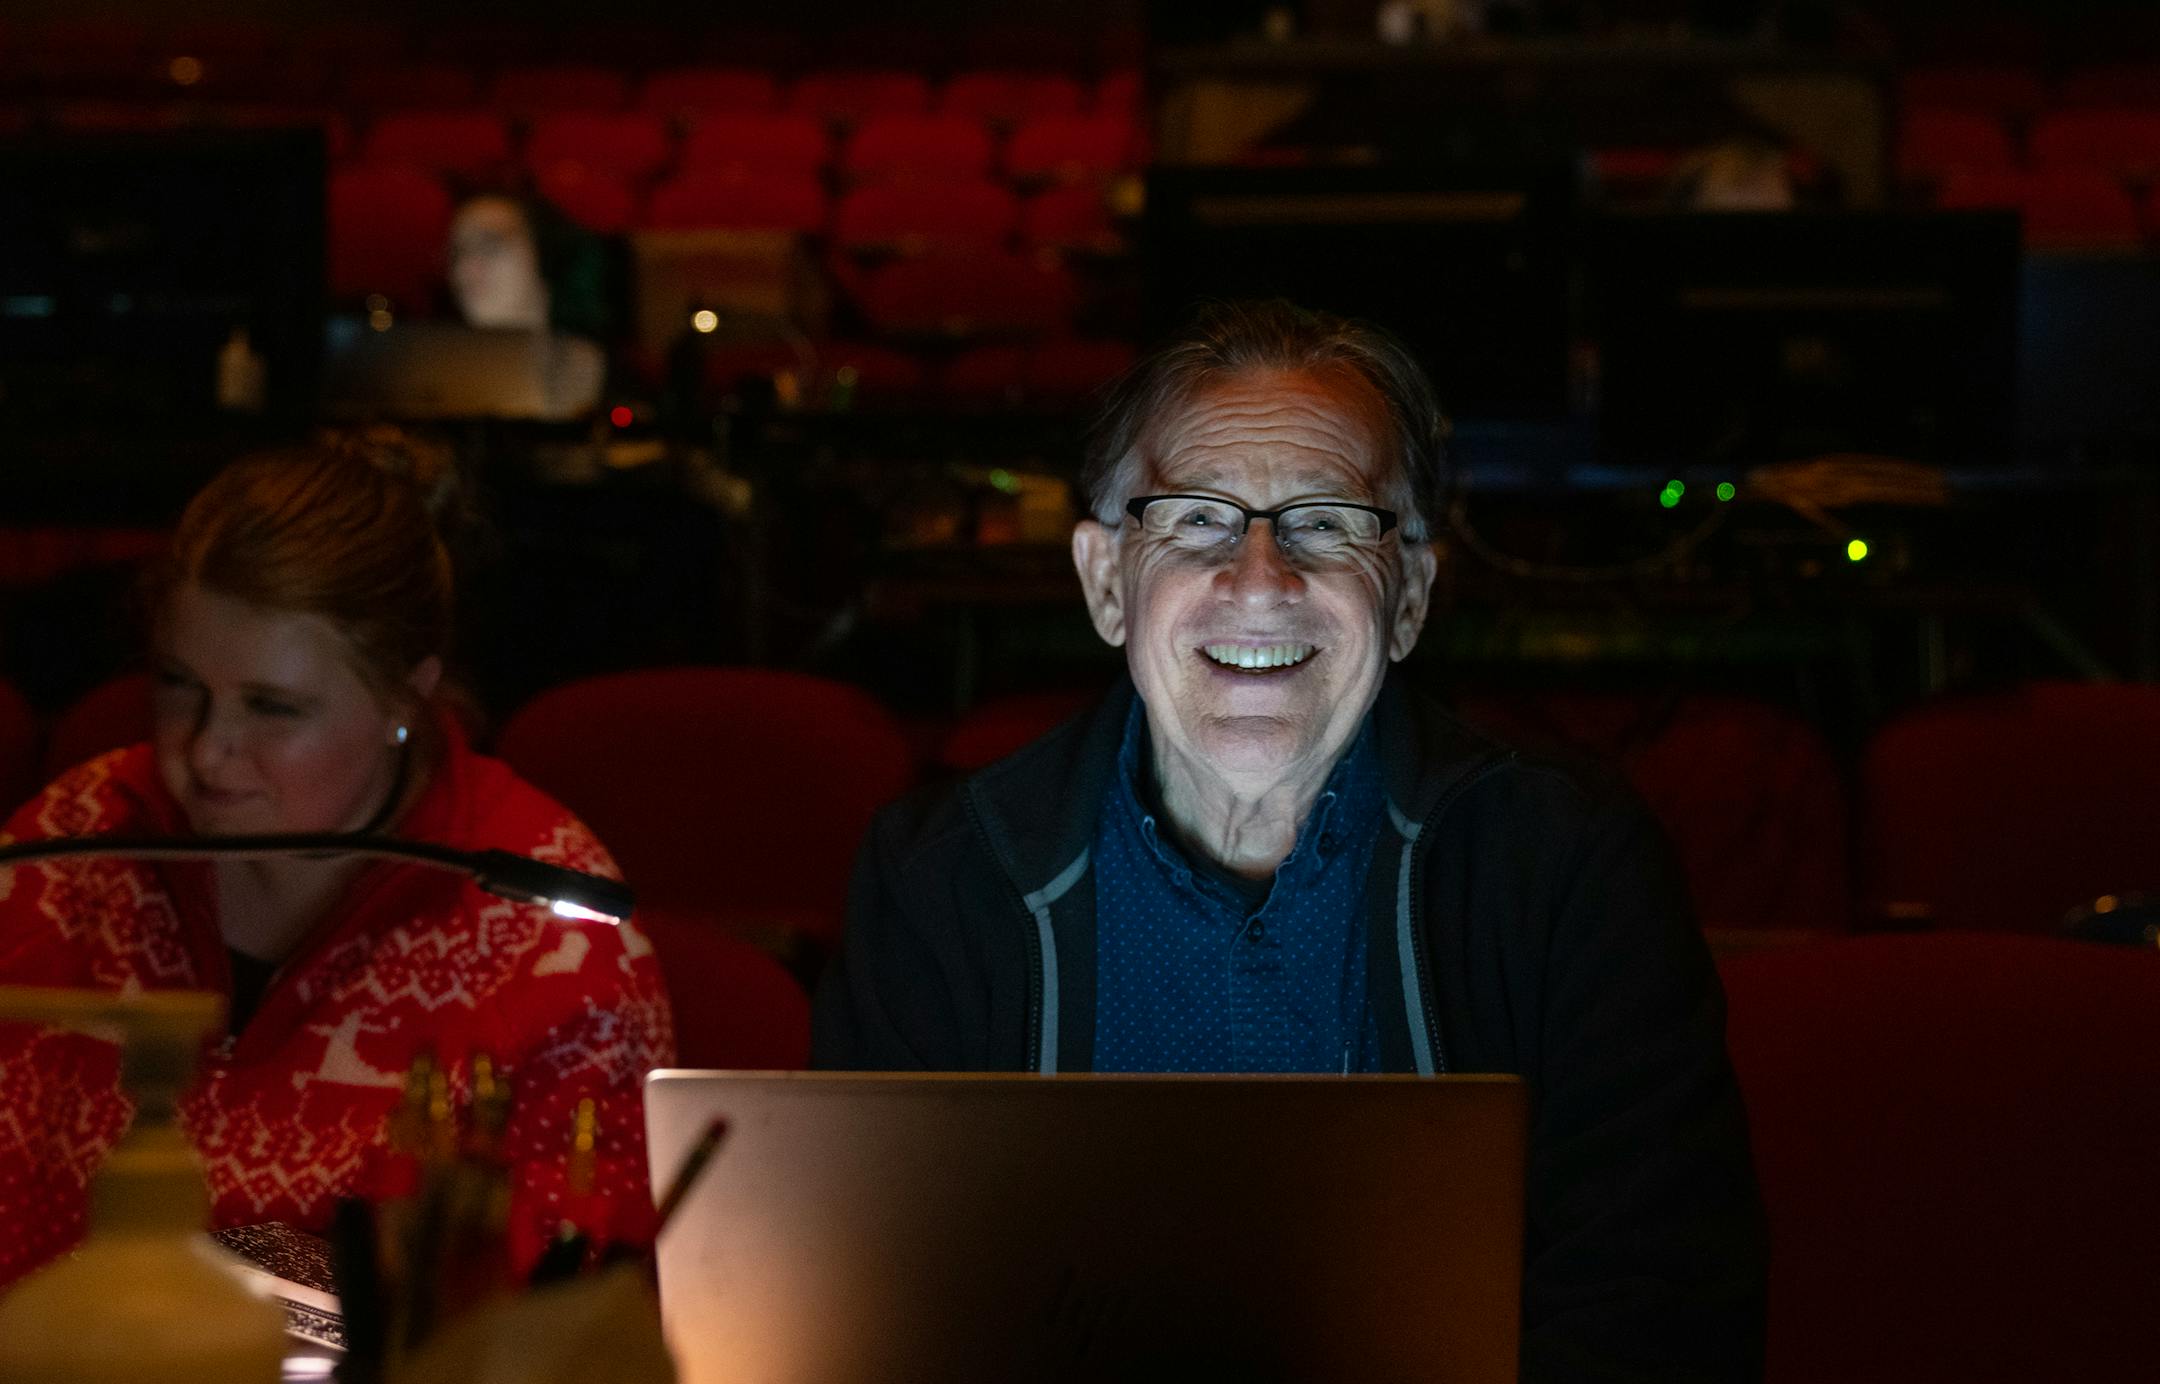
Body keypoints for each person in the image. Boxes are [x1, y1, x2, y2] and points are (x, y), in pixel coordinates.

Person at [813, 300, 1767, 1382]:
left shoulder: (1565, 867)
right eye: (1196, 519)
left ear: (1407, 597)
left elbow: (1660, 1311)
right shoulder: (940, 881)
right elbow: (873, 1320)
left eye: (1325, 522)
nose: (1260, 578)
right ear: (1104, 584)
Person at [0, 432, 673, 1289]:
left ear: (406, 694)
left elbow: (568, 1320)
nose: (208, 752)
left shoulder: (548, 927)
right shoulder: (69, 847)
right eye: (179, 686)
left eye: (272, 708)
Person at [444, 192, 611, 417]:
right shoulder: (429, 384)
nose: (467, 267)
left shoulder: (602, 377)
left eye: (490, 245)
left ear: (541, 252)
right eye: (459, 251)